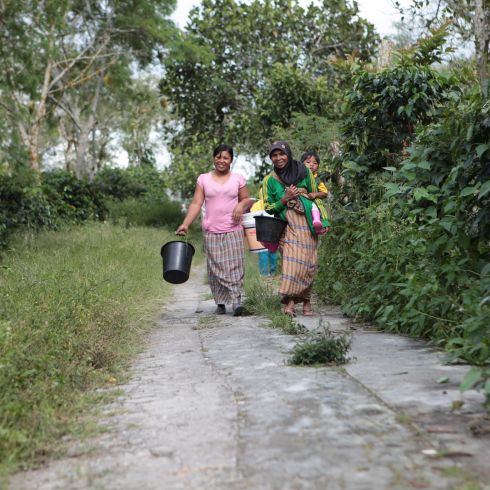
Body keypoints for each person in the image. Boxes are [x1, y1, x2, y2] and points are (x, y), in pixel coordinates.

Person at [176, 144, 252, 316]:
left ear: (231, 160)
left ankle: (236, 301)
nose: (221, 160)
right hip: (211, 230)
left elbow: (247, 199)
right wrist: (185, 224)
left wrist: (240, 205)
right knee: (215, 267)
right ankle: (220, 302)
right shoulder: (203, 179)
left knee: (235, 265)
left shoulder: (238, 178)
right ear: (213, 158)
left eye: (225, 157)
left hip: (233, 228)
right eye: (218, 157)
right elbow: (196, 203)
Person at [262, 141, 330, 317]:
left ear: (288, 154)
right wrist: (284, 199)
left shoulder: (305, 171)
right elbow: (269, 207)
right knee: (292, 265)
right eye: (274, 156)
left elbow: (316, 198)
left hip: (308, 223)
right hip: (287, 226)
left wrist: (325, 221)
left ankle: (307, 303)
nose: (278, 158)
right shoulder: (269, 180)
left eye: (281, 154)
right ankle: (290, 304)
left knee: (309, 264)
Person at [300, 151, 329, 235]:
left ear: (318, 167)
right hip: (302, 199)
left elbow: (324, 192)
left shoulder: (317, 180)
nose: (311, 165)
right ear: (301, 165)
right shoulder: (299, 177)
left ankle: (321, 225)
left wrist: (315, 194)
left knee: (319, 207)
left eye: (315, 163)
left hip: (314, 200)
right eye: (308, 162)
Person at [250, 191, 277, 276]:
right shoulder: (273, 203)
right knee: (273, 250)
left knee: (263, 251)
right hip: (273, 228)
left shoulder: (256, 205)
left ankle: (264, 273)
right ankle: (273, 272)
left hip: (261, 230)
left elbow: (252, 217)